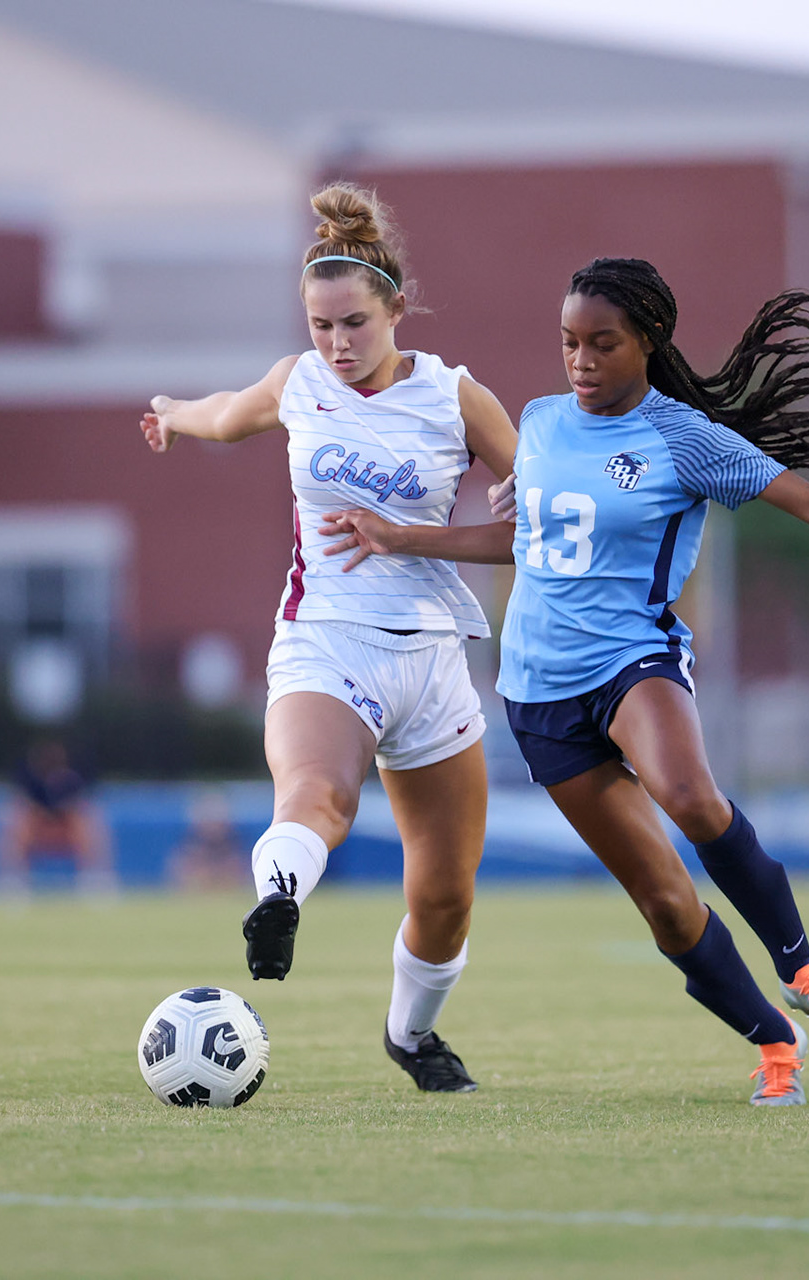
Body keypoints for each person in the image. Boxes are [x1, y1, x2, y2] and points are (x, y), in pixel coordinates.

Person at [323, 258, 809, 1106]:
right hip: (538, 694)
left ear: (649, 343)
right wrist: (405, 538)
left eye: (602, 344)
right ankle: (775, 1042)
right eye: (568, 343)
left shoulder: (684, 437)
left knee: (691, 798)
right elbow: (529, 545)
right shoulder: (542, 423)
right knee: (663, 900)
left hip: (634, 660)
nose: (580, 362)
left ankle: (804, 968)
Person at [138, 184, 518, 1093]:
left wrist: (519, 496)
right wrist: (171, 413)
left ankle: (411, 1035)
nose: (337, 344)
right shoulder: (297, 383)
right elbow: (229, 414)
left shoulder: (458, 398)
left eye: (354, 322)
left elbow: (539, 525)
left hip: (431, 659)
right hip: (325, 641)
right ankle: (279, 899)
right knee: (316, 795)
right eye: (320, 326)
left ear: (395, 306)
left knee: (444, 893)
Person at [0, 738, 114, 894]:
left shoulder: (72, 778)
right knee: (16, 823)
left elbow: (78, 805)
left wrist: (61, 814)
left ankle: (95, 878)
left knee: (87, 822)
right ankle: (13, 881)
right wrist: (41, 815)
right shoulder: (28, 780)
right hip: (37, 827)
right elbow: (21, 803)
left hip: (66, 827)